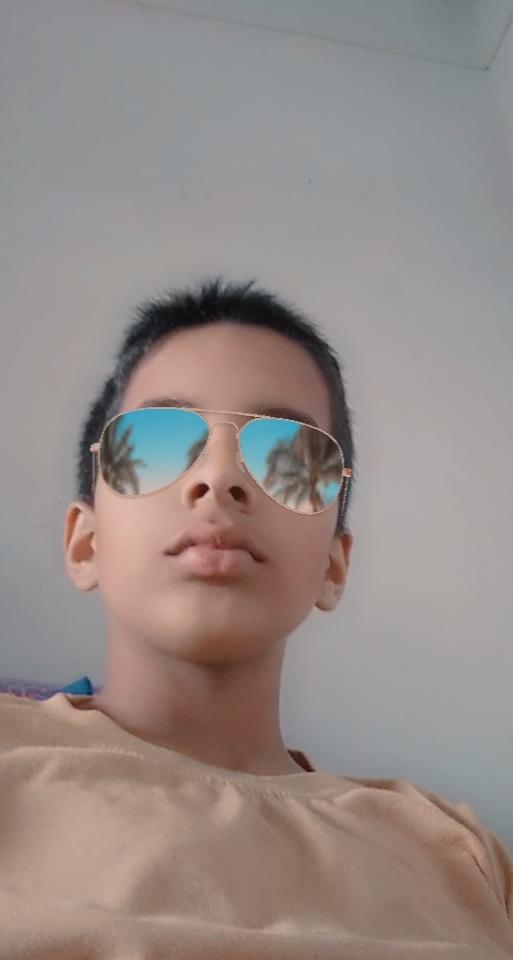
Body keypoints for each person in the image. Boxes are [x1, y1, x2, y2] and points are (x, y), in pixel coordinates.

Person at [1, 276, 512, 958]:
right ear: (85, 543)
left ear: (333, 565)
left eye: (288, 457)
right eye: (155, 441)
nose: (218, 478)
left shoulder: (454, 850)